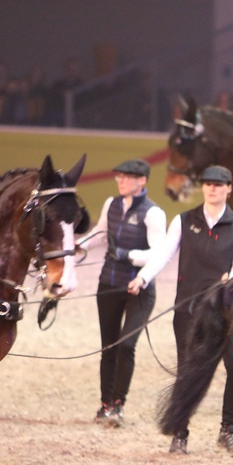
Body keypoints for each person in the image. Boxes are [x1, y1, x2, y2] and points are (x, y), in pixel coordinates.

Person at [131, 165, 233, 456]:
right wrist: (143, 277)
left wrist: (230, 280)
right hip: (188, 309)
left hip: (225, 311)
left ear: (229, 189)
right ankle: (180, 432)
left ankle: (227, 430)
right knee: (188, 371)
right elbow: (163, 253)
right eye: (208, 183)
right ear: (203, 188)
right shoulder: (184, 221)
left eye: (219, 184)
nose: (212, 188)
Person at [82, 159, 166, 428]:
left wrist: (130, 257)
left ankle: (118, 404)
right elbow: (100, 233)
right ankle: (105, 403)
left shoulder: (153, 214)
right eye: (119, 177)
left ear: (142, 181)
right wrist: (75, 246)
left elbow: (159, 253)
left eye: (127, 177)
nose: (120, 181)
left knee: (126, 345)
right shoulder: (112, 205)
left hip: (139, 290)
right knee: (108, 346)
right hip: (109, 284)